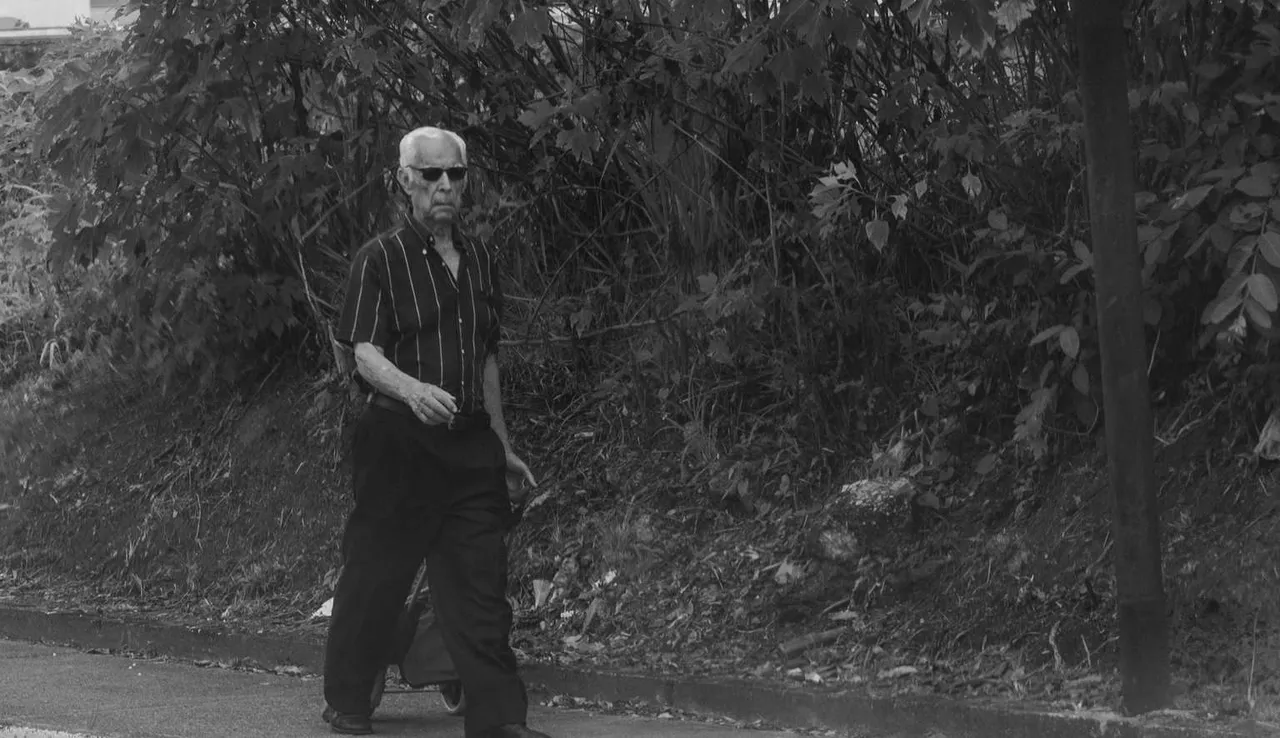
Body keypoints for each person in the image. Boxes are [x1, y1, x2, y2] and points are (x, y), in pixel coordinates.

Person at [322, 126, 550, 738]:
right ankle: (348, 699)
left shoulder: (479, 261)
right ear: (406, 181)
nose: (444, 185)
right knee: (376, 575)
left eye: (455, 174)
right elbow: (363, 352)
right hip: (399, 442)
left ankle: (499, 718)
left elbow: (487, 358)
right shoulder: (380, 259)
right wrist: (412, 390)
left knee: (481, 587)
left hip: (470, 446)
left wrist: (502, 444)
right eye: (431, 175)